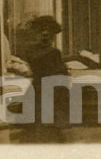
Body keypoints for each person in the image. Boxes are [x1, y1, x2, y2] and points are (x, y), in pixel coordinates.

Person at [12, 15, 69, 143]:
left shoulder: (30, 51)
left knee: (36, 130)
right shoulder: (52, 53)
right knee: (47, 131)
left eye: (49, 31)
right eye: (42, 30)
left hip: (38, 92)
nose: (45, 34)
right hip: (50, 93)